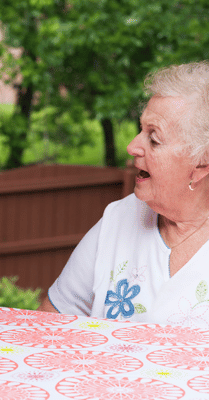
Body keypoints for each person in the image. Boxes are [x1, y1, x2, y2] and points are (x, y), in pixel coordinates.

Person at [38, 61, 209, 328]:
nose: (132, 147)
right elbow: (50, 323)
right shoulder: (119, 219)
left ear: (201, 164)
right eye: (141, 129)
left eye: (154, 139)